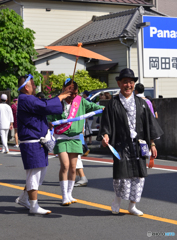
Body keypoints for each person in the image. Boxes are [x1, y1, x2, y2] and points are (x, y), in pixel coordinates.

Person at [97, 68, 163, 216]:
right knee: (121, 175)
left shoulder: (142, 104)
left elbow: (149, 126)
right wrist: (105, 135)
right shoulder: (112, 104)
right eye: (125, 82)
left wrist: (152, 144)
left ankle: (132, 205)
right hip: (121, 145)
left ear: (134, 84)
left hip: (139, 144)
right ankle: (117, 202)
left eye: (131, 82)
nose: (128, 85)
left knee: (139, 175)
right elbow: (106, 124)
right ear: (119, 83)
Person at [15, 74, 71, 215]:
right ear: (26, 87)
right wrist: (60, 97)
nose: (35, 86)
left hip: (37, 140)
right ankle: (34, 205)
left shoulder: (29, 98)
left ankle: (23, 198)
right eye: (32, 84)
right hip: (31, 141)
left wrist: (46, 122)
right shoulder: (25, 98)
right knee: (34, 173)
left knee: (40, 172)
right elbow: (44, 106)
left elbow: (41, 109)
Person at [48, 78, 104, 206]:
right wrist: (49, 122)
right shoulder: (57, 101)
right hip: (61, 137)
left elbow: (94, 107)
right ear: (64, 89)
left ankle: (69, 194)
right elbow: (49, 116)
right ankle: (63, 195)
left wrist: (104, 109)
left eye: (75, 91)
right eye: (70, 90)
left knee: (73, 168)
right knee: (65, 165)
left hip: (75, 138)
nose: (73, 94)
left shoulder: (80, 101)